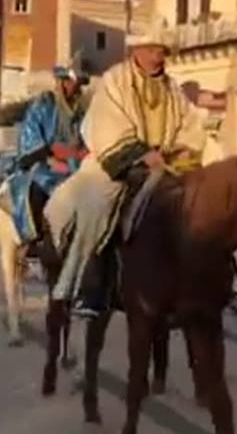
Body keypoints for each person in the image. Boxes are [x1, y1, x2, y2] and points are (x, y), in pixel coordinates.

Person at [45, 23, 207, 317]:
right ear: (137, 51)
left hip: (164, 163)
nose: (158, 57)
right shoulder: (115, 80)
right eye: (152, 50)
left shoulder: (172, 88)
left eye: (162, 51)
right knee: (97, 205)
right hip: (113, 163)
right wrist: (140, 154)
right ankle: (88, 286)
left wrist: (183, 150)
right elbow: (108, 125)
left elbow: (190, 124)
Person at [6, 60, 89, 246]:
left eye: (77, 84)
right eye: (71, 82)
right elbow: (31, 139)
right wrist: (51, 160)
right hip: (45, 164)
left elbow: (87, 137)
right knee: (37, 188)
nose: (75, 87)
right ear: (61, 82)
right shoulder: (43, 106)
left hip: (76, 164)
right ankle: (34, 239)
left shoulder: (81, 111)